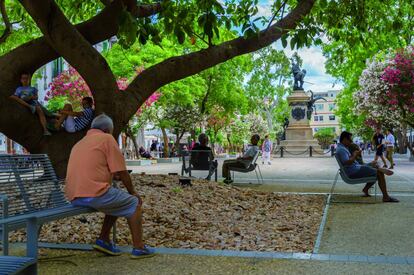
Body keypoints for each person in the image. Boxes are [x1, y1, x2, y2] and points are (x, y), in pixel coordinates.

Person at [65, 114, 156, 258]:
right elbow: (122, 171)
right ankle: (139, 247)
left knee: (117, 198)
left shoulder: (80, 142)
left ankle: (104, 239)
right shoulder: (107, 138)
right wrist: (133, 192)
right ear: (107, 130)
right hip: (93, 194)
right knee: (134, 203)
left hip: (74, 195)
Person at [336, 131, 398, 202]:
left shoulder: (342, 148)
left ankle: (377, 170)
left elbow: (349, 161)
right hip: (354, 170)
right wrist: (354, 155)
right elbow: (348, 162)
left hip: (356, 167)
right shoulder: (341, 150)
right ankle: (386, 197)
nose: (351, 141)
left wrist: (355, 155)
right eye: (350, 140)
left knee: (374, 163)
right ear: (344, 139)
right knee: (379, 173)